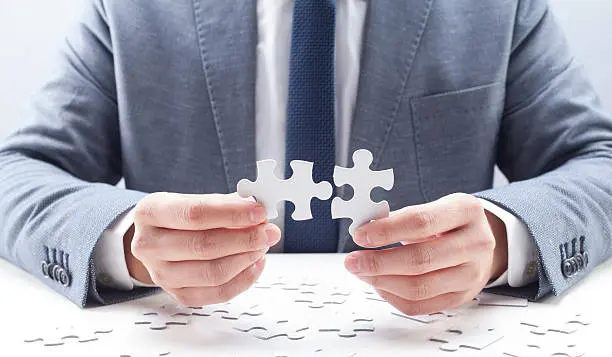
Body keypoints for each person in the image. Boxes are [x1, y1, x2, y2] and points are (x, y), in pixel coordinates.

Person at [1, 0, 611, 315]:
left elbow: (597, 160)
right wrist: (128, 241)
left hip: (421, 354)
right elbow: (17, 172)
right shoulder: (133, 9)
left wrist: (505, 238)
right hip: (198, 353)